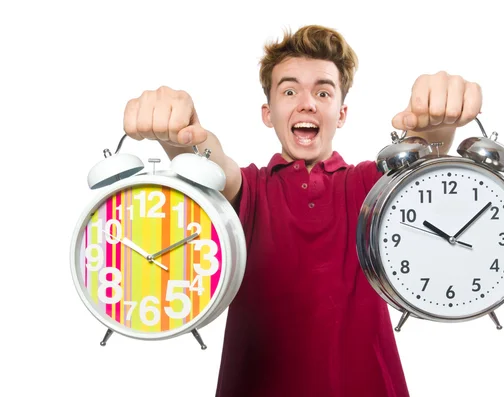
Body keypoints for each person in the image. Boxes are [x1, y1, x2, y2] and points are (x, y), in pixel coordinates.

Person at [123, 25, 482, 397]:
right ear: (268, 113)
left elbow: (420, 161)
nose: (307, 103)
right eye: (290, 90)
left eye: (323, 91)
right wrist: (181, 136)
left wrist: (437, 124)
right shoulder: (250, 189)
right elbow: (210, 166)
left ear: (341, 113)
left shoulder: (368, 186)